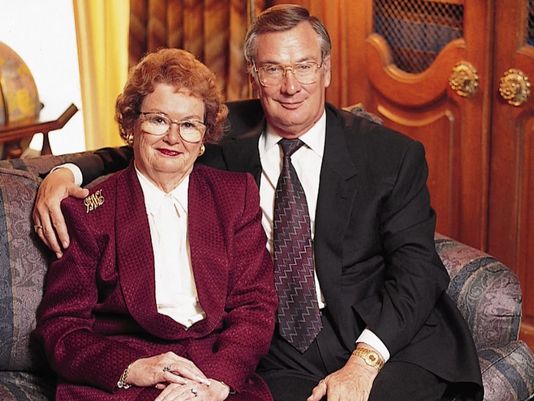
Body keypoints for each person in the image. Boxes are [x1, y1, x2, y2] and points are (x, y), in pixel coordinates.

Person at [33, 5, 483, 401]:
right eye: (272, 69)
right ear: (254, 74)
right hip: (282, 342)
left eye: (304, 66)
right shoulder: (220, 133)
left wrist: (364, 363)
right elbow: (151, 147)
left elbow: (419, 270)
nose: (290, 86)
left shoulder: (390, 155)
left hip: (382, 333)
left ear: (325, 70)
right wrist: (65, 172)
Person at [33, 48, 277, 401]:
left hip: (213, 370)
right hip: (128, 375)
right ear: (132, 124)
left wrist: (217, 383)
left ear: (204, 138)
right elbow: (61, 328)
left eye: (189, 125)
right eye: (158, 120)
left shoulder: (235, 196)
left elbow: (255, 306)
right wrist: (132, 368)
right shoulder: (89, 211)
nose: (173, 138)